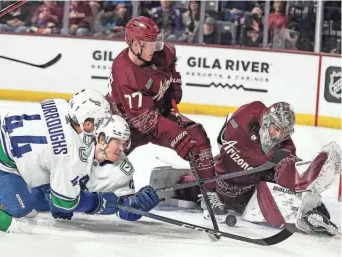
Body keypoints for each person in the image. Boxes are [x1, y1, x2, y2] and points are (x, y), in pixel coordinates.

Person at [0, 89, 125, 233]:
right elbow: (65, 202)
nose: (100, 129)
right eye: (100, 123)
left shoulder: (58, 103)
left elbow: (42, 153)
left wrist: (50, 188)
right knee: (25, 220)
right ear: (87, 124)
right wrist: (97, 202)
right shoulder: (70, 152)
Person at [106, 16, 223, 215]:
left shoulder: (162, 52)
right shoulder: (125, 71)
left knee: (197, 136)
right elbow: (145, 122)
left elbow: (171, 65)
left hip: (157, 115)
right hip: (126, 125)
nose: (155, 47)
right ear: (135, 44)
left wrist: (175, 85)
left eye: (155, 41)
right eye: (149, 43)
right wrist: (177, 137)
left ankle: (209, 193)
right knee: (106, 163)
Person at [202, 101, 341, 236]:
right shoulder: (250, 112)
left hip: (245, 197)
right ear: (267, 120)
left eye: (284, 132)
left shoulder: (285, 149)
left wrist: (305, 190)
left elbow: (288, 176)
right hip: (217, 184)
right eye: (277, 129)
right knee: (188, 185)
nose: (279, 136)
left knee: (281, 180)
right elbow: (222, 137)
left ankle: (307, 199)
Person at [32, 115, 160, 221]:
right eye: (118, 142)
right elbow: (44, 164)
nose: (122, 149)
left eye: (125, 143)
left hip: (65, 202)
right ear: (102, 139)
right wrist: (53, 192)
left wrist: (137, 206)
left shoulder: (123, 171)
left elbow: (123, 209)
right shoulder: (74, 144)